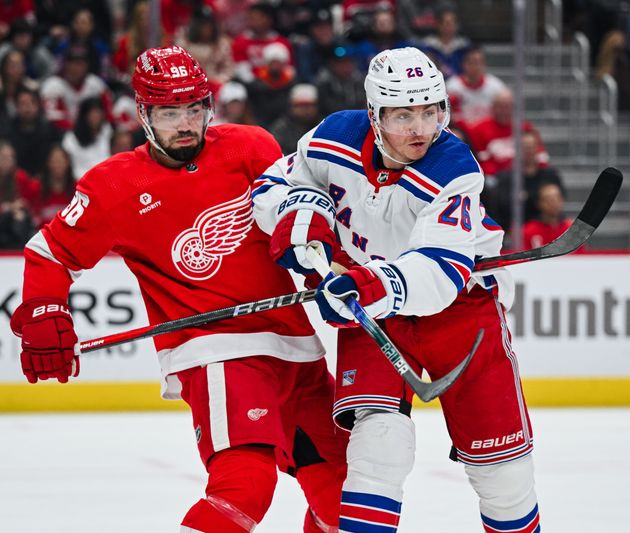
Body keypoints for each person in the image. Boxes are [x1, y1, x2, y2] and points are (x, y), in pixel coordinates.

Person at [10, 46, 346, 533]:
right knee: (244, 487)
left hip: (295, 347)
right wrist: (43, 312)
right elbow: (49, 252)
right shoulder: (114, 185)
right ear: (144, 114)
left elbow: (296, 216)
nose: (186, 123)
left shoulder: (251, 147)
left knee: (347, 495)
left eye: (195, 109)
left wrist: (320, 257)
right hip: (216, 351)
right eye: (170, 113)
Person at [252, 47, 540, 533]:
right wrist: (307, 227)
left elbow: (439, 270)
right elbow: (272, 187)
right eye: (404, 114)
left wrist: (363, 285)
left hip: (462, 312)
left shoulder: (453, 167)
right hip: (374, 311)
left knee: (502, 473)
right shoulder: (332, 137)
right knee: (377, 445)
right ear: (374, 114)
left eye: (430, 111)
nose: (420, 129)